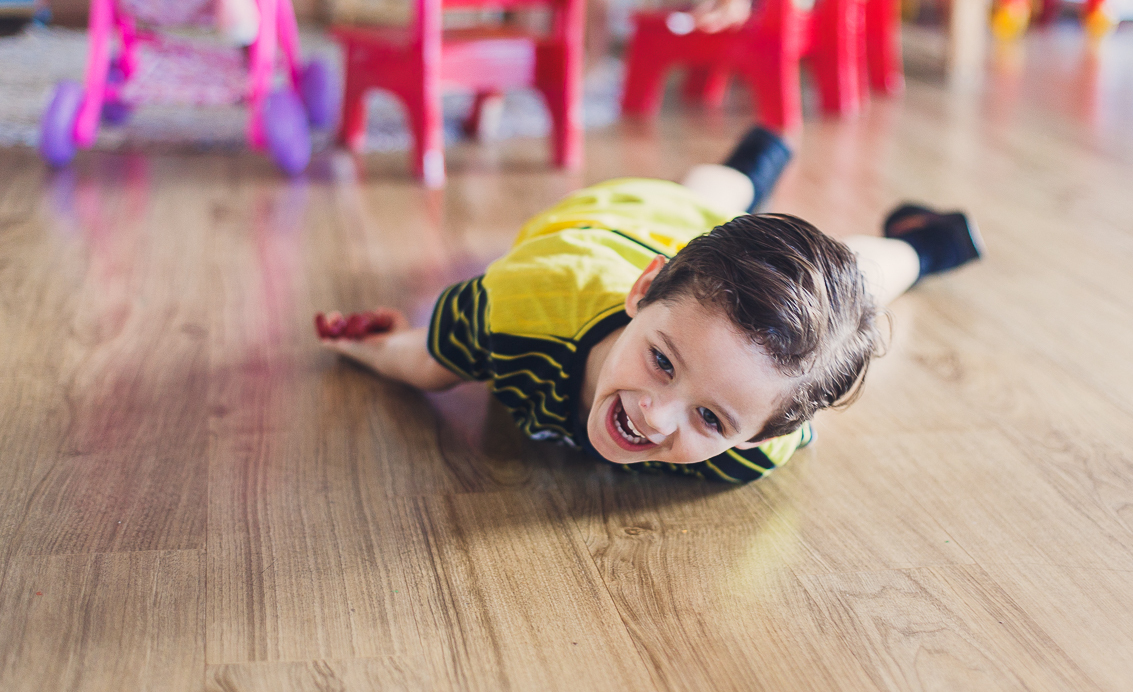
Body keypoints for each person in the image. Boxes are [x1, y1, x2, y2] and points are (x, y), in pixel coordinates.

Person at [317, 127, 983, 483]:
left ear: (757, 435)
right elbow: (423, 362)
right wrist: (368, 342)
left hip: (693, 279)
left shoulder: (761, 445)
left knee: (858, 285)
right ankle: (751, 160)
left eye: (712, 418)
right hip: (626, 216)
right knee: (704, 198)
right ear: (643, 291)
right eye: (662, 361)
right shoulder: (514, 307)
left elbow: (810, 387)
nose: (654, 415)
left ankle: (924, 247)